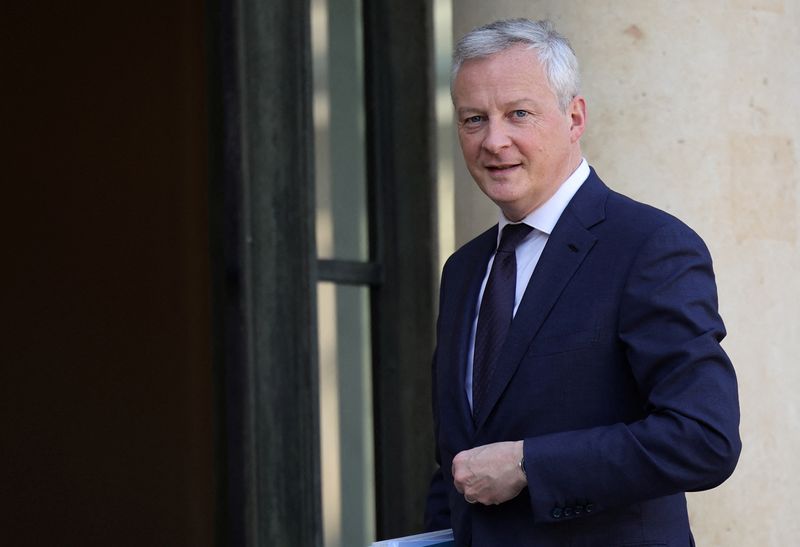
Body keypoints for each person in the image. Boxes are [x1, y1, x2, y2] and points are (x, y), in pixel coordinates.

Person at [424, 18, 741, 546]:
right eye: (473, 119)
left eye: (518, 113)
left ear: (574, 118)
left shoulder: (648, 247)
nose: (493, 140)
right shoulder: (463, 269)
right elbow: (456, 463)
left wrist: (529, 463)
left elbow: (703, 438)